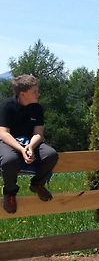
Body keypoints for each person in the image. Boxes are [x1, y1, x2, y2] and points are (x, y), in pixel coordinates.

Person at [0, 75, 58, 214]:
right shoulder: (7, 106)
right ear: (23, 94)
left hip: (30, 142)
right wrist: (21, 149)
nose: (39, 94)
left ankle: (37, 184)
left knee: (51, 155)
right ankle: (10, 193)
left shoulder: (37, 108)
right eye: (35, 91)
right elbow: (3, 133)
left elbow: (38, 133)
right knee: (9, 160)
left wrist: (30, 147)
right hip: (9, 142)